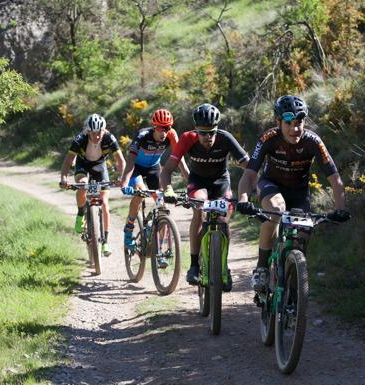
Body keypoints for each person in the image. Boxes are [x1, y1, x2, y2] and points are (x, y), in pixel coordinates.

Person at [236, 95, 351, 292]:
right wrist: (244, 199)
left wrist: (340, 209)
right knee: (275, 210)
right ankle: (262, 268)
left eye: (299, 123)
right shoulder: (268, 139)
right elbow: (248, 176)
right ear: (278, 122)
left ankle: (294, 288)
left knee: (304, 235)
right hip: (271, 185)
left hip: (299, 192)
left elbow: (335, 179)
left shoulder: (313, 141)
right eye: (288, 123)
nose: (294, 129)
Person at [160, 103, 249, 291]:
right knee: (199, 208)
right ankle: (194, 265)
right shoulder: (187, 139)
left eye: (211, 132)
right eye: (203, 133)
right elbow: (167, 170)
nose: (208, 137)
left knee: (224, 220)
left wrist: (254, 185)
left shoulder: (225, 138)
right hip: (198, 181)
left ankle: (223, 267)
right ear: (196, 130)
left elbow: (248, 165)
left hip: (220, 182)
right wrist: (168, 190)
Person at [119, 109, 189, 259]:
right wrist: (124, 182)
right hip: (137, 168)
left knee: (162, 206)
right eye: (160, 128)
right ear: (154, 126)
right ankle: (129, 227)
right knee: (140, 191)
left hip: (153, 168)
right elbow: (130, 160)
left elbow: (180, 160)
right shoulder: (143, 135)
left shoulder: (171, 135)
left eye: (167, 128)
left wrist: (191, 182)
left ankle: (160, 250)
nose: (164, 132)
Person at [60, 113, 126, 256]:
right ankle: (80, 214)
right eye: (93, 133)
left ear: (104, 130)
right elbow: (68, 160)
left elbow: (120, 161)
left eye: (99, 133)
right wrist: (64, 178)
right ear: (88, 131)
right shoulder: (80, 138)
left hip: (100, 166)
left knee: (105, 203)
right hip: (82, 165)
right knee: (83, 185)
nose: (96, 136)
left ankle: (105, 242)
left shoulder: (109, 138)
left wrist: (122, 178)